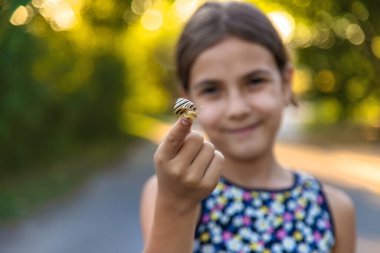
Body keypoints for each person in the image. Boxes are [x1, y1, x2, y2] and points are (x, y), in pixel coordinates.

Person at [140, 1, 356, 253]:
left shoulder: (333, 209)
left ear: (286, 83)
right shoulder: (168, 193)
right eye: (211, 89)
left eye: (254, 81)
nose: (237, 109)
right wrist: (177, 204)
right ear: (188, 99)